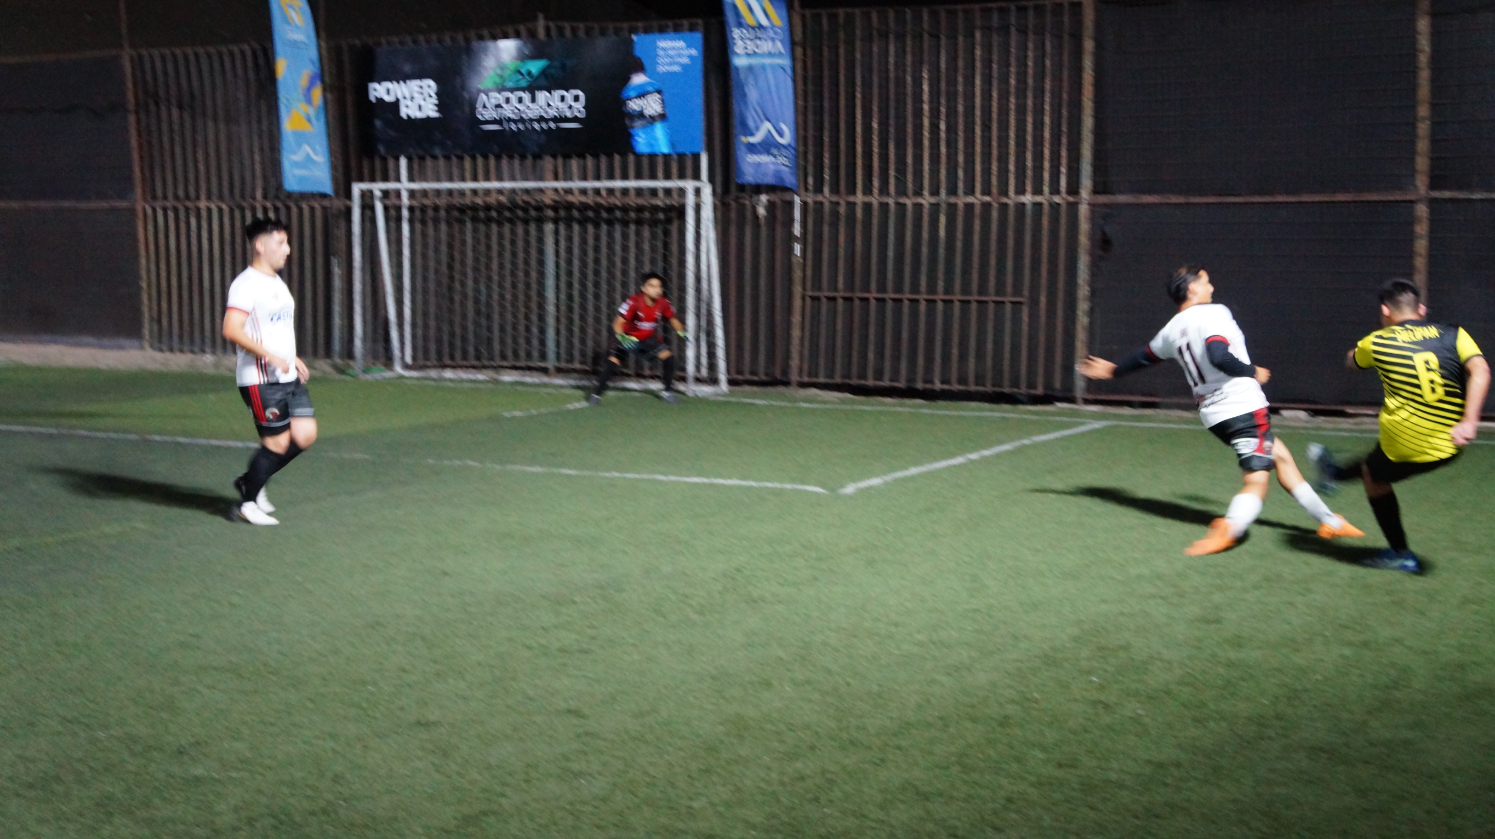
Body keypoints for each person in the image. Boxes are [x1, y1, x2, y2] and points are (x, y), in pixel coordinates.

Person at [1077, 265, 1363, 556]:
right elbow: (1219, 356)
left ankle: (1330, 522)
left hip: (1214, 416)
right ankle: (1230, 529)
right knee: (1256, 481)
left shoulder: (1171, 330)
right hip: (1242, 408)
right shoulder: (1215, 313)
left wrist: (1113, 370)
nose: (1211, 287)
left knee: (1281, 457)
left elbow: (1144, 356)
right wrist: (1252, 371)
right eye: (1206, 281)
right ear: (1192, 289)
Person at [1308, 278, 1489, 573]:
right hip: (1451, 443)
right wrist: (1469, 421)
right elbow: (1481, 370)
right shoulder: (1455, 334)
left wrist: (1359, 351)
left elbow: (1353, 362)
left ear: (1385, 310)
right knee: (1375, 462)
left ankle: (1400, 553)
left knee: (1374, 475)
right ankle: (1333, 473)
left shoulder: (1377, 341)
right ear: (1421, 309)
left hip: (1406, 445)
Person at [221, 217, 318, 526]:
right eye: (281, 243)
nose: (287, 249)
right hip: (261, 380)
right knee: (276, 443)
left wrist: (292, 356)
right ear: (260, 246)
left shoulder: (276, 282)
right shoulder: (245, 284)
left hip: (286, 375)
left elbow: (273, 328)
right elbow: (231, 329)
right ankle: (246, 505)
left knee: (304, 435)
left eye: (287, 243)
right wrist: (270, 356)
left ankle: (249, 480)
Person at [589, 272, 689, 405]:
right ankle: (596, 395)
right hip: (629, 338)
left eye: (659, 287)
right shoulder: (633, 302)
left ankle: (667, 393)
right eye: (652, 286)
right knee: (613, 362)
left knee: (669, 358)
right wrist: (622, 337)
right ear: (644, 289)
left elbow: (673, 319)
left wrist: (681, 330)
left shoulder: (663, 303)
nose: (657, 290)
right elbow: (617, 323)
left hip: (648, 338)